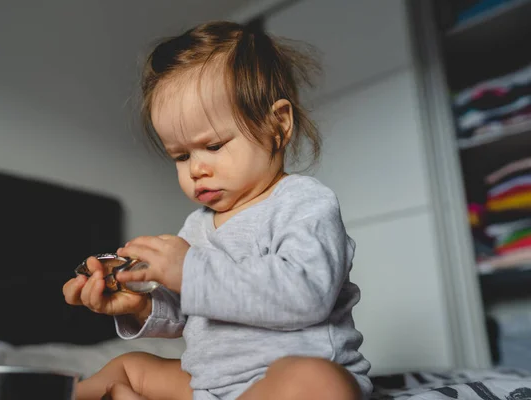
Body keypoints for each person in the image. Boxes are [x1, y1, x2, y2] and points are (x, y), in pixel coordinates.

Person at [62, 20, 372, 400]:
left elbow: (307, 294)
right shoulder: (198, 225)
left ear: (278, 124)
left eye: (213, 146)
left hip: (287, 380)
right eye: (180, 155)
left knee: (318, 383)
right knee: (130, 367)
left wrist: (190, 271)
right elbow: (191, 311)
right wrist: (140, 307)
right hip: (211, 386)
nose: (196, 168)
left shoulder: (303, 202)